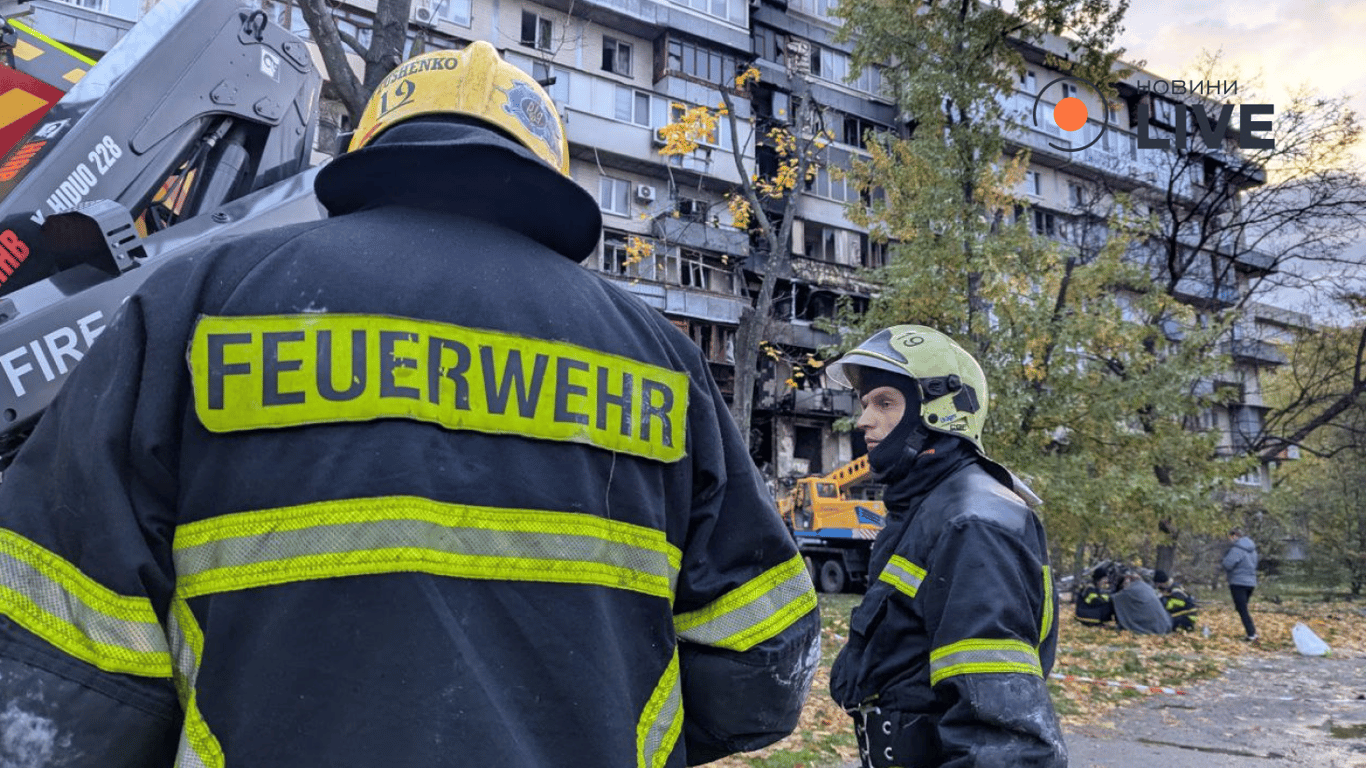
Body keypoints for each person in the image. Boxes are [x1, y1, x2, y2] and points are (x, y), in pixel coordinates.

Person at [0, 43, 819, 767]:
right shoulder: (660, 358)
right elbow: (761, 661)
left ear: (372, 149)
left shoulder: (196, 304)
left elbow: (58, 651)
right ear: (546, 166)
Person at [826, 325, 1067, 768]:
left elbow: (1006, 742)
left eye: (884, 402)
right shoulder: (927, 508)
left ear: (938, 410)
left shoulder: (972, 522)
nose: (864, 421)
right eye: (865, 405)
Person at [1223, 528, 1260, 642]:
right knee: (1242, 608)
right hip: (1251, 583)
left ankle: (1252, 634)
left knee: (1242, 609)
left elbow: (1227, 564)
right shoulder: (1252, 550)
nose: (1230, 540)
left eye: (1230, 537)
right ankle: (1250, 632)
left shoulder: (1237, 549)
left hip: (1238, 582)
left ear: (1235, 536)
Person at [1110, 571, 1172, 635]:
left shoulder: (1131, 590)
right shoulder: (1147, 588)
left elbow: (1114, 599)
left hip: (1151, 628)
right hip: (1164, 626)